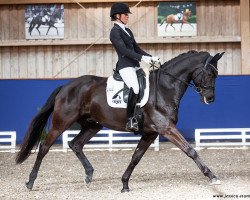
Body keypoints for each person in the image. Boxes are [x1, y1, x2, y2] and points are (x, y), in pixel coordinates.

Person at [109, 2, 161, 132]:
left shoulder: (127, 31)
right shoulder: (114, 32)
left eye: (127, 14)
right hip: (125, 66)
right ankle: (130, 119)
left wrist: (150, 57)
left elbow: (136, 48)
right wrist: (142, 58)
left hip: (135, 66)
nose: (127, 16)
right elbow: (123, 50)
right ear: (117, 16)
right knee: (135, 88)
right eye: (125, 14)